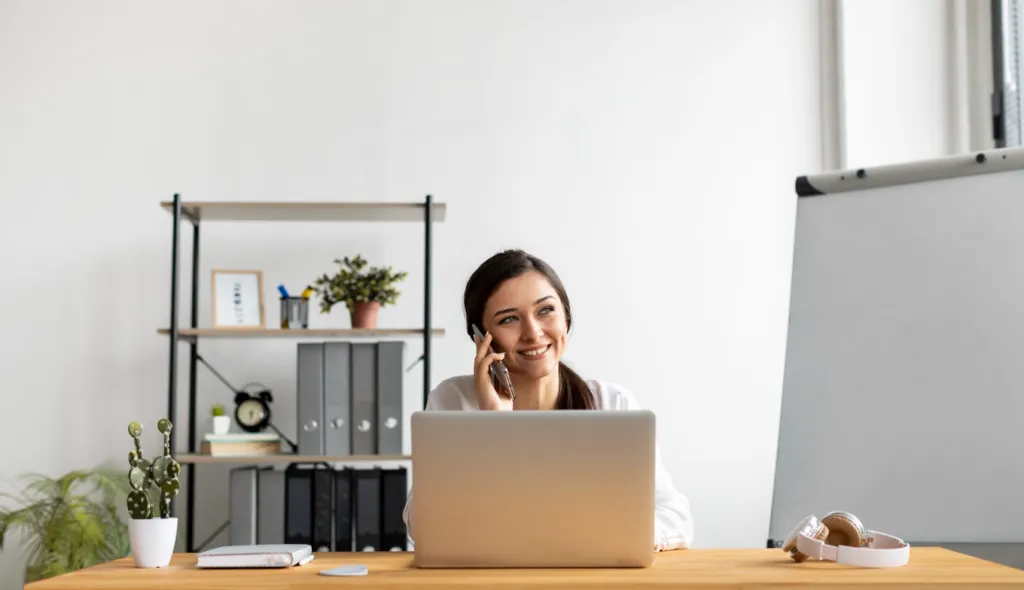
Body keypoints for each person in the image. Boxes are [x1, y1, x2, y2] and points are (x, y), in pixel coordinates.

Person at [402, 249, 695, 551]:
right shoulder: (454, 402)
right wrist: (493, 425)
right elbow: (423, 526)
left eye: (545, 310)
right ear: (480, 338)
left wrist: (607, 536)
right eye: (509, 319)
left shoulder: (611, 403)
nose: (533, 333)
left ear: (566, 317)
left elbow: (675, 517)